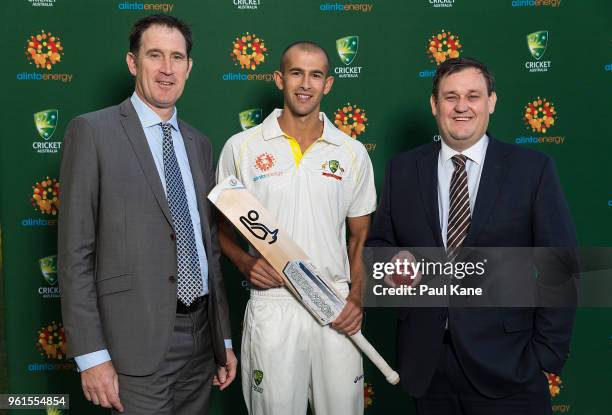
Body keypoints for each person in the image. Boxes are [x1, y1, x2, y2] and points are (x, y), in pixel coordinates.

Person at [366, 57, 577, 414]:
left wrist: (546, 352)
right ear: (434, 105)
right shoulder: (402, 170)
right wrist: (391, 261)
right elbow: (378, 245)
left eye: (473, 96)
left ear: (491, 102)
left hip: (509, 365)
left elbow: (560, 264)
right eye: (450, 97)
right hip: (427, 366)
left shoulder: (531, 169)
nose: (461, 106)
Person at [58, 14, 236, 414]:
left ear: (190, 67)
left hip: (201, 341)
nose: (167, 68)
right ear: (132, 62)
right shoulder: (92, 132)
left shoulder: (199, 144)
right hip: (133, 345)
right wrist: (90, 355)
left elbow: (208, 250)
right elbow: (74, 255)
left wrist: (222, 339)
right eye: (155, 55)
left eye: (177, 57)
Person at [216, 41, 376, 415]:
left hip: (334, 306)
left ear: (329, 84)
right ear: (279, 79)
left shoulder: (351, 153)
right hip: (274, 306)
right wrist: (244, 262)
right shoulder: (242, 147)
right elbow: (219, 228)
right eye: (296, 73)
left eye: (316, 75)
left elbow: (361, 239)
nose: (305, 84)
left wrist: (356, 299)